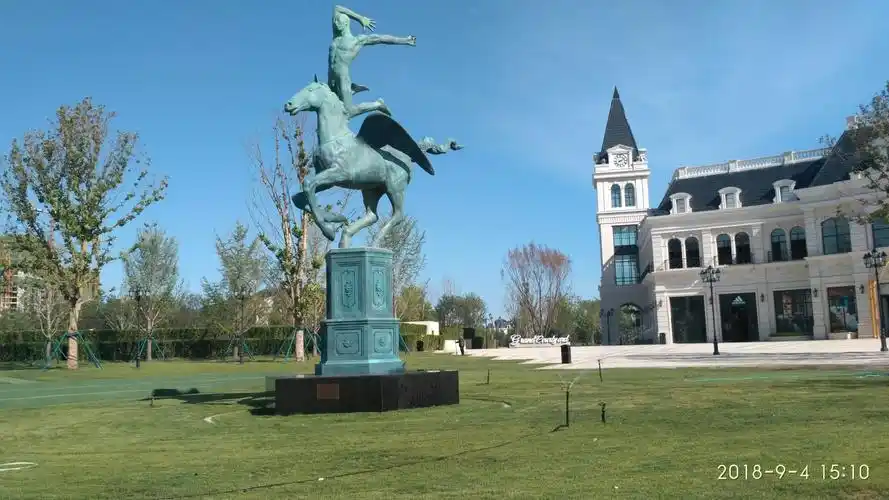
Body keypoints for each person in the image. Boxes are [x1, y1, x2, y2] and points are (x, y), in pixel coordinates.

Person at [329, 6, 416, 118]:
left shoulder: (357, 41)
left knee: (348, 112)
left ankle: (377, 104)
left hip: (343, 78)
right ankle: (352, 90)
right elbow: (337, 8)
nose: (336, 24)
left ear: (346, 24)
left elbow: (381, 38)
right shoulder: (336, 37)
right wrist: (360, 18)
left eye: (339, 21)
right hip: (330, 80)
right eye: (335, 21)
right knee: (329, 111)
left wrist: (404, 40)